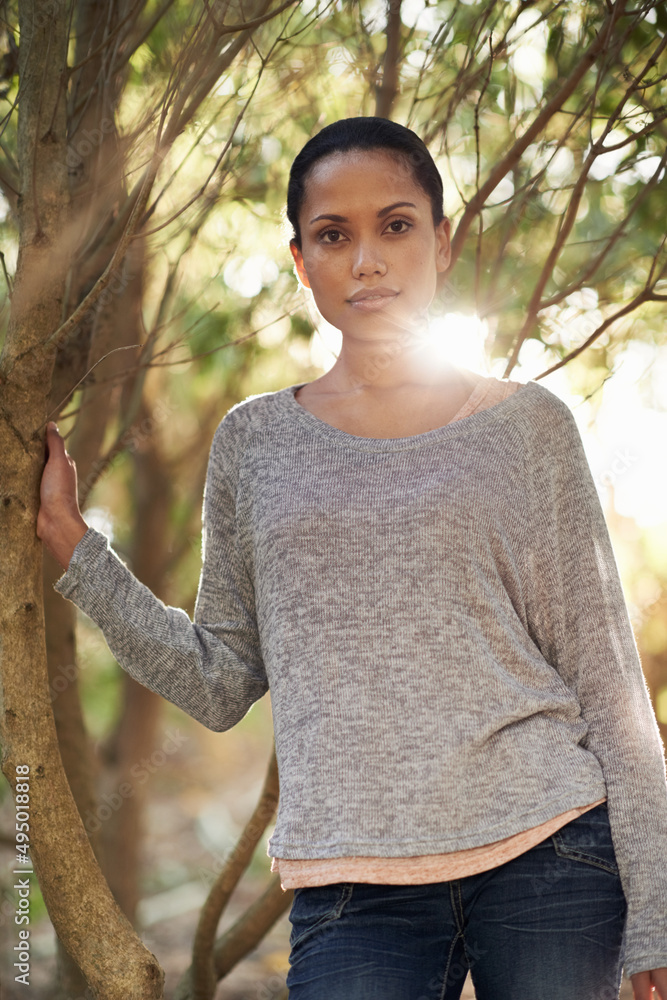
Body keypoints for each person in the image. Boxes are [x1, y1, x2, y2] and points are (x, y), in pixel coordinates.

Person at [38, 117, 667, 1000]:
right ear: (301, 262)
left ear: (441, 243)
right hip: (351, 889)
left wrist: (656, 918)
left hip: (550, 854)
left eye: (396, 225)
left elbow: (608, 688)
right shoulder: (255, 442)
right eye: (334, 235)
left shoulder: (529, 427)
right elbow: (221, 681)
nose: (367, 259)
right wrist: (75, 545)